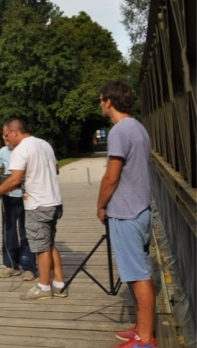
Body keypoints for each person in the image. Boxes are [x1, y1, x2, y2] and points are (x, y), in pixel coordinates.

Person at [0, 118, 66, 300]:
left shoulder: (21, 149)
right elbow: (55, 170)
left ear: (15, 132)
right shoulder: (44, 144)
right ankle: (59, 285)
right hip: (54, 202)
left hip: (38, 204)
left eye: (6, 135)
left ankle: (43, 287)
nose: (5, 139)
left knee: (41, 248)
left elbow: (14, 179)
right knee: (49, 244)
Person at [97, 81, 156, 348]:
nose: (100, 104)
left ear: (109, 101)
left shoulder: (119, 131)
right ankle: (141, 327)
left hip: (126, 213)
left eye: (101, 100)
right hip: (141, 209)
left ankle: (145, 340)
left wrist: (100, 205)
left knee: (137, 274)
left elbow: (112, 176)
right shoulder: (138, 127)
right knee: (138, 272)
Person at [0, 141, 37, 281]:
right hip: (7, 196)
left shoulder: (25, 150)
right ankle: (11, 264)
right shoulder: (3, 151)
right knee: (8, 230)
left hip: (26, 196)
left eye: (8, 135)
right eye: (3, 136)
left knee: (25, 230)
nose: (6, 139)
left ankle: (29, 267)